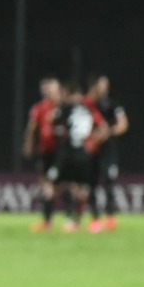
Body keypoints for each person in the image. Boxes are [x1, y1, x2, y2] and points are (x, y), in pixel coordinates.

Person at [48, 82, 108, 233]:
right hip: (86, 153)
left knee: (63, 185)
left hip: (70, 153)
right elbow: (104, 128)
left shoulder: (65, 108)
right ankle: (89, 220)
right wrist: (92, 142)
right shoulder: (89, 108)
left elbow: (52, 122)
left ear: (67, 94)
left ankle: (70, 219)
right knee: (84, 188)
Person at [83, 74, 128, 232]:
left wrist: (109, 132)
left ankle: (110, 218)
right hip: (90, 150)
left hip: (108, 150)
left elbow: (123, 124)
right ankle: (94, 218)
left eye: (106, 85)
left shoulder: (112, 105)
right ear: (94, 86)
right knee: (91, 184)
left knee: (109, 182)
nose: (105, 88)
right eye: (102, 84)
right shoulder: (86, 105)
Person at [23, 75, 62, 231]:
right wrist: (28, 144)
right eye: (44, 88)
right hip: (46, 152)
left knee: (68, 185)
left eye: (50, 87)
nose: (46, 91)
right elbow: (32, 127)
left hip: (63, 151)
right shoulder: (39, 108)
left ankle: (73, 219)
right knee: (46, 185)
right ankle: (47, 221)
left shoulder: (64, 106)